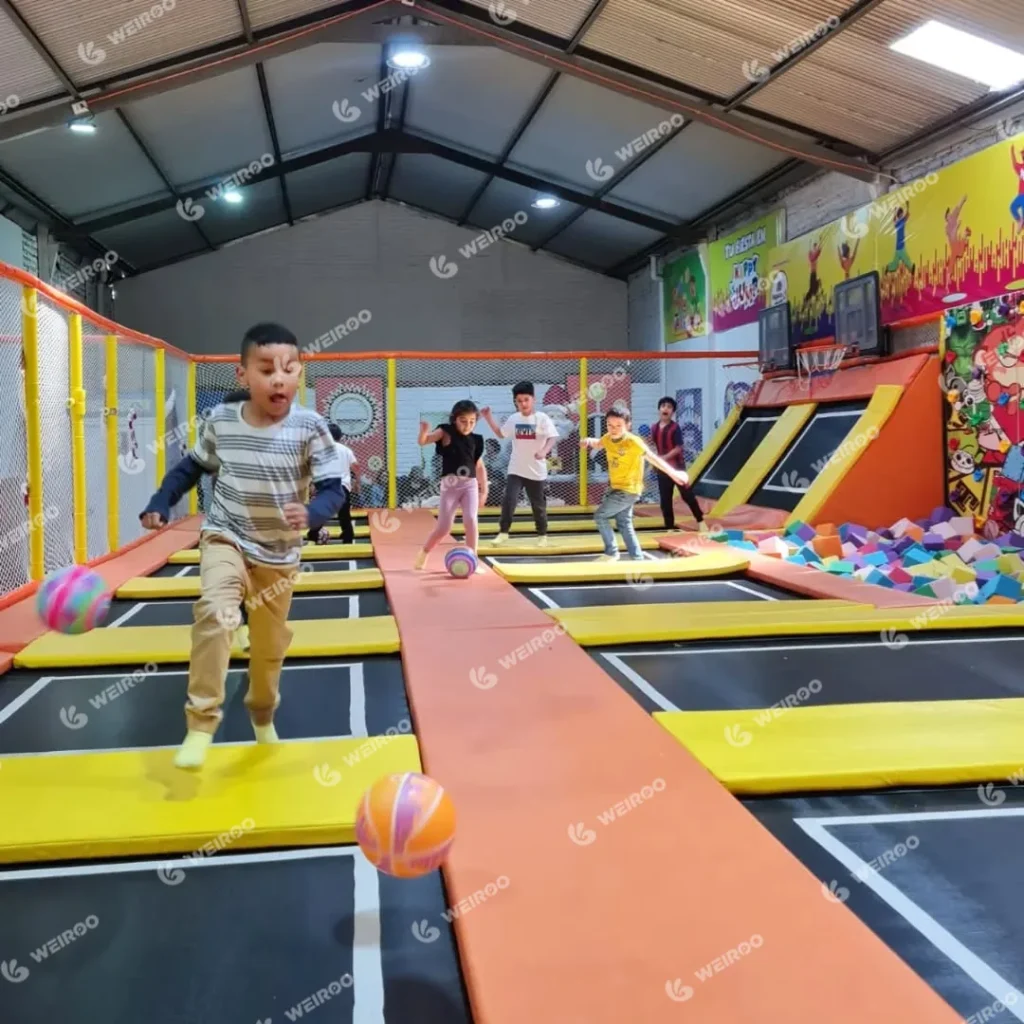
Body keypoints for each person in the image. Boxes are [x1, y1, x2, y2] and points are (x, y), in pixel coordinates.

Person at [140, 323, 344, 770]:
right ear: (243, 375)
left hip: (279, 556)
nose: (278, 379)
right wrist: (161, 500)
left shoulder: (311, 427)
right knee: (215, 611)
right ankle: (200, 723)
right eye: (266, 369)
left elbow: (334, 488)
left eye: (289, 370)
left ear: (299, 375)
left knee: (269, 651)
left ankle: (262, 714)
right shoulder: (221, 421)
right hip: (226, 535)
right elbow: (190, 468)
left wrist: (313, 515)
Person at [580, 405, 691, 562]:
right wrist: (588, 441)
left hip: (629, 490)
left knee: (600, 516)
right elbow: (599, 443)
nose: (614, 429)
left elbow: (653, 458)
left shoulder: (633, 442)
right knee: (624, 523)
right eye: (610, 425)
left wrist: (674, 474)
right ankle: (637, 559)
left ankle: (611, 552)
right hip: (615, 487)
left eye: (619, 425)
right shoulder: (608, 438)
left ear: (628, 425)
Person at [413, 400, 487, 572]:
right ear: (454, 419)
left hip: (470, 485)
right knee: (444, 527)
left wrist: (484, 489)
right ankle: (424, 553)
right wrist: (424, 431)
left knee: (471, 520)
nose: (468, 425)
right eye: (463, 421)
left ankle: (473, 558)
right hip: (450, 486)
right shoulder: (446, 431)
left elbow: (479, 466)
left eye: (472, 421)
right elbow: (424, 441)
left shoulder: (476, 440)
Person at [480, 382, 557, 546]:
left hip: (536, 471)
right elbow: (501, 434)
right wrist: (488, 418)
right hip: (516, 469)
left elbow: (552, 437)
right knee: (509, 499)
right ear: (515, 402)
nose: (523, 404)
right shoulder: (514, 419)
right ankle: (503, 532)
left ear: (533, 399)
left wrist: (544, 451)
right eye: (519, 401)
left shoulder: (542, 419)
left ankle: (542, 535)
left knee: (538, 505)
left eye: (526, 400)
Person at [650, 397, 708, 533]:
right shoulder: (654, 428)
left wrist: (663, 458)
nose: (666, 409)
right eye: (663, 406)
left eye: (669, 407)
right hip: (662, 469)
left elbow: (678, 448)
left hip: (677, 468)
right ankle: (669, 527)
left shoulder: (675, 428)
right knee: (665, 500)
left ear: (673, 412)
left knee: (687, 495)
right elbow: (654, 446)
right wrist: (655, 461)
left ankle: (700, 521)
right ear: (659, 409)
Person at [310, 422, 359, 545]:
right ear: (340, 436)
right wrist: (357, 483)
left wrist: (313, 485)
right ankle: (348, 538)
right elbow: (355, 466)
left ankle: (314, 533)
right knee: (344, 515)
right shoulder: (346, 450)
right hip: (343, 486)